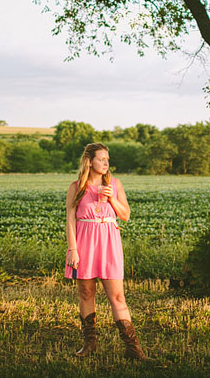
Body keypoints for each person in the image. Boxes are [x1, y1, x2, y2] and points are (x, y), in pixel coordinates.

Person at [64, 143, 150, 360]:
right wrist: (72, 249)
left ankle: (133, 348)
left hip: (108, 242)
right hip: (83, 242)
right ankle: (89, 343)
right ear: (89, 161)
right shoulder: (76, 187)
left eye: (107, 160)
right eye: (101, 159)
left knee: (118, 296)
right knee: (85, 294)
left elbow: (126, 215)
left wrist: (111, 198)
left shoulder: (115, 184)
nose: (106, 163)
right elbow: (70, 220)